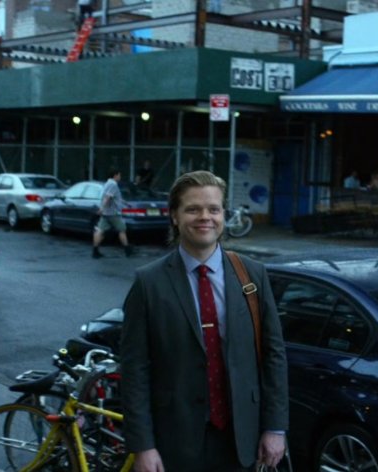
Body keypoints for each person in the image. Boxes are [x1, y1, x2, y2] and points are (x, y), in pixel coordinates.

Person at [121, 170, 289, 472]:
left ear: (223, 214)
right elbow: (135, 371)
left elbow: (274, 356)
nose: (205, 217)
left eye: (213, 209)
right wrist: (143, 446)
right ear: (174, 216)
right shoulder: (148, 283)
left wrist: (275, 428)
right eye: (193, 209)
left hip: (242, 438)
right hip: (176, 442)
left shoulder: (252, 275)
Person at [92, 168, 132, 258]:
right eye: (119, 175)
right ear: (115, 175)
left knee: (99, 230)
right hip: (113, 213)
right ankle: (127, 250)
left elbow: (115, 197)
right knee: (122, 230)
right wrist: (102, 208)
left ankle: (95, 251)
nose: (120, 177)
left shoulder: (107, 183)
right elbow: (108, 197)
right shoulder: (113, 184)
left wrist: (125, 203)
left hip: (106, 213)